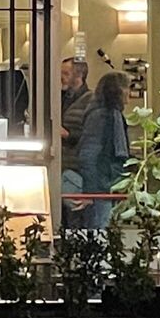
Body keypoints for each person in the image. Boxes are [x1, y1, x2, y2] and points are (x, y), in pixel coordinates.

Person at [76, 71, 132, 221]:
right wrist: (91, 192)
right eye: (127, 87)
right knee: (100, 228)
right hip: (102, 186)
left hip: (107, 185)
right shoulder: (102, 116)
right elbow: (89, 154)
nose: (129, 92)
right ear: (118, 90)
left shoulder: (107, 114)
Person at [58, 56, 94, 229]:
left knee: (76, 219)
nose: (61, 77)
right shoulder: (59, 98)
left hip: (76, 168)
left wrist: (67, 135)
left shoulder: (90, 101)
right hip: (61, 166)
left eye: (66, 73)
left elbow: (90, 136)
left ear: (78, 75)